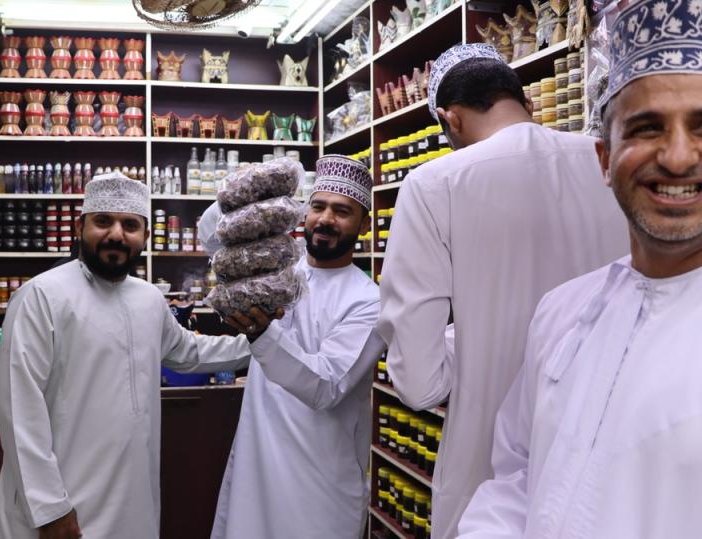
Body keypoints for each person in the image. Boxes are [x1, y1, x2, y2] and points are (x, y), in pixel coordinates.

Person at [459, 1, 702, 535]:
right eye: (646, 127)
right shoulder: (563, 311)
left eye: (701, 126)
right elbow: (517, 477)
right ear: (604, 160)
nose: (680, 157)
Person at [375, 44, 629, 538]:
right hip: (606, 452)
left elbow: (419, 382)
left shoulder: (434, 185)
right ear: (525, 103)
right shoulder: (609, 164)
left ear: (450, 118)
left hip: (485, 472)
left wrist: (473, 338)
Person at [0, 172, 253, 539]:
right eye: (103, 222)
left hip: (132, 499)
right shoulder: (42, 296)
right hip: (61, 507)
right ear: (79, 226)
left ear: (145, 236)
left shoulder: (148, 298)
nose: (116, 234)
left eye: (130, 225)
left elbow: (187, 350)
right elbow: (19, 410)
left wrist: (257, 345)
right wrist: (50, 508)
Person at [209, 155, 384, 539]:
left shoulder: (369, 301)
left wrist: (261, 334)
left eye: (342, 212)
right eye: (317, 206)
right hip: (258, 462)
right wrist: (257, 189)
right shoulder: (274, 269)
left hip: (318, 483)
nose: (325, 220)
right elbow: (213, 234)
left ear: (365, 224)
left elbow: (326, 386)